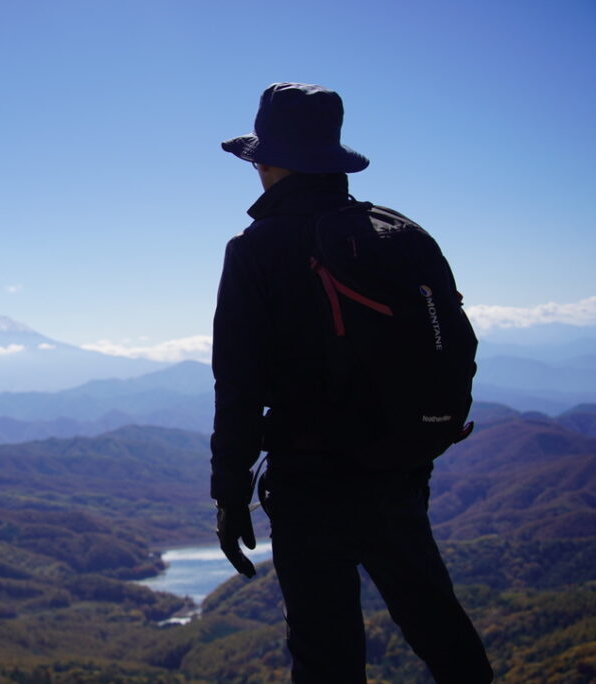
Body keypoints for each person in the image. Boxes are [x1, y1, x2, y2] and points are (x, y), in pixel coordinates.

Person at [211, 82, 493, 683]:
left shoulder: (255, 249)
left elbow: (236, 386)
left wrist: (229, 492)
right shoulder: (398, 235)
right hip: (398, 465)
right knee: (432, 615)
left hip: (307, 477)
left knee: (324, 649)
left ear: (268, 160)